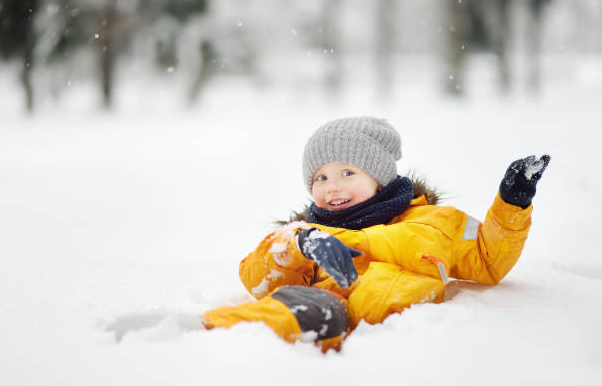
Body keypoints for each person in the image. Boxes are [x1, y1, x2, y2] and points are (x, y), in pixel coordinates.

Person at [201, 117, 550, 351]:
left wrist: (511, 203)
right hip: (324, 323)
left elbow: (488, 260)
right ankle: (207, 334)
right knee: (308, 311)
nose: (331, 186)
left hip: (403, 353)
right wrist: (300, 245)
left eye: (347, 172)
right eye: (320, 178)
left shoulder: (436, 222)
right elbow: (256, 278)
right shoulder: (309, 233)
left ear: (378, 176)